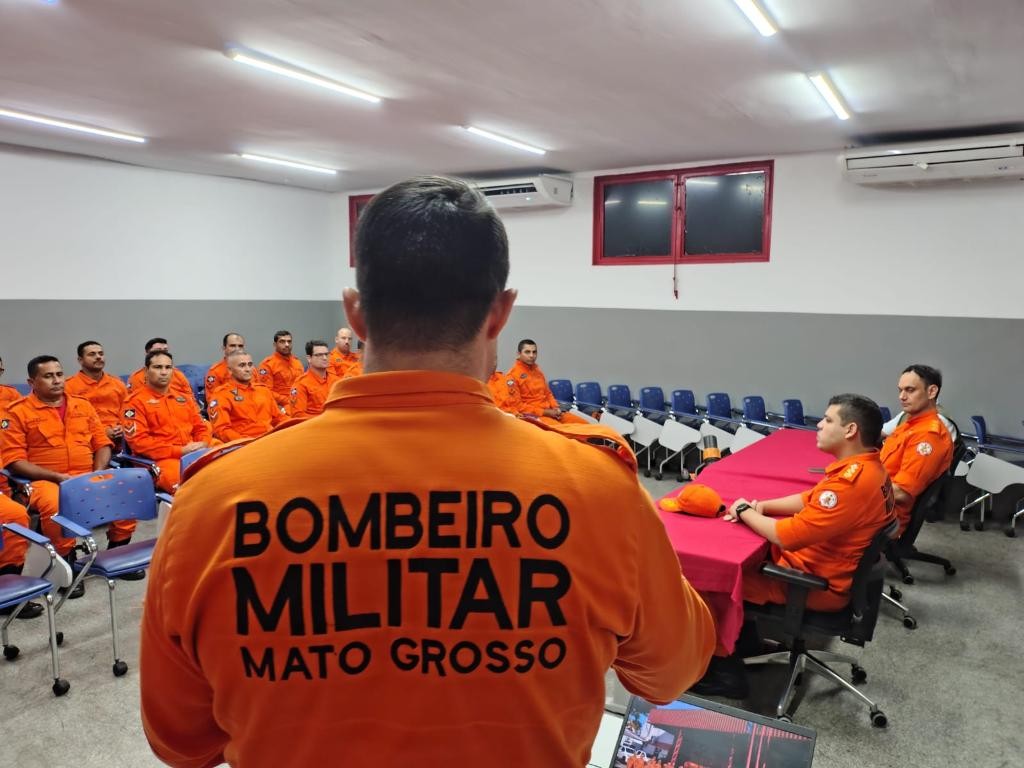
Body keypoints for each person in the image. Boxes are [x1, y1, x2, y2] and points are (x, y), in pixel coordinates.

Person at [141, 176, 715, 768]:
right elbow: (670, 672)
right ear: (501, 312)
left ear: (355, 312)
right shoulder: (598, 489)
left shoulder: (213, 500)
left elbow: (181, 741)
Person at [693, 394, 895, 698]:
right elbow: (809, 499)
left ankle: (725, 674)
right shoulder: (865, 468)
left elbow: (785, 536)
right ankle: (747, 645)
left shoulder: (850, 484)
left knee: (711, 580)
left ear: (850, 430)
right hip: (822, 569)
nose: (820, 425)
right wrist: (762, 507)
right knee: (740, 557)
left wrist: (744, 510)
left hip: (810, 583)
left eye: (828, 420)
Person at [1, 355, 113, 599]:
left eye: (59, 374)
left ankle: (118, 549)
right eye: (48, 376)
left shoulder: (82, 405)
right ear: (32, 382)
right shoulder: (17, 412)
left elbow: (102, 443)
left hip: (86, 473)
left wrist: (98, 471)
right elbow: (14, 461)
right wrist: (57, 476)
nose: (56, 380)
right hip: (44, 480)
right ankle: (65, 564)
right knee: (56, 503)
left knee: (122, 487)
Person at [122, 350, 213, 494]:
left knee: (228, 466)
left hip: (194, 450)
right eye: (158, 367)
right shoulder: (134, 403)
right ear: (146, 371)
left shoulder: (183, 398)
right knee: (192, 489)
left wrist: (203, 443)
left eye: (168, 367)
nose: (164, 372)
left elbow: (200, 427)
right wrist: (180, 451)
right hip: (163, 459)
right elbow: (140, 443)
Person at [879, 364, 954, 535]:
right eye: (900, 390)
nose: (902, 396)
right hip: (875, 506)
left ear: (931, 391)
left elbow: (901, 493)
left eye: (910, 390)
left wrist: (857, 492)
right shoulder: (910, 424)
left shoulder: (928, 436)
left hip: (884, 517)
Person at [207, 351, 287, 441]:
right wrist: (246, 442)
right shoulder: (221, 395)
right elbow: (221, 430)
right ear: (230, 370)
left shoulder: (263, 390)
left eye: (250, 364)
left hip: (270, 439)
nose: (248, 369)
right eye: (242, 365)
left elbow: (279, 418)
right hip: (245, 444)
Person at [506, 339, 589, 424]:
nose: (531, 355)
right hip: (535, 416)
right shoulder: (512, 376)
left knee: (584, 424)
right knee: (562, 430)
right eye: (527, 352)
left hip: (551, 411)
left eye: (534, 352)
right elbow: (518, 406)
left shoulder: (537, 371)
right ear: (519, 354)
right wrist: (545, 412)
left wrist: (555, 407)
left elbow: (548, 393)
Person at [63, 340, 128, 445]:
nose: (98, 357)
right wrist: (100, 432)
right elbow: (68, 420)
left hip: (120, 436)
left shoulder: (117, 383)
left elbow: (129, 411)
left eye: (101, 354)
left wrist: (124, 427)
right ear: (80, 360)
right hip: (86, 439)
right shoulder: (68, 386)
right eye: (92, 354)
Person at [127, 337, 195, 400]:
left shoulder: (178, 375)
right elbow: (131, 401)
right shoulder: (136, 378)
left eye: (165, 351)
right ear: (147, 353)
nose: (162, 354)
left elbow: (190, 398)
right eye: (157, 351)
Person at [289, 340, 338, 419]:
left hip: (336, 422)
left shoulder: (336, 381)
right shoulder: (301, 384)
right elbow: (298, 415)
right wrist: (323, 420)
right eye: (319, 355)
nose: (325, 358)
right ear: (309, 358)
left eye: (326, 354)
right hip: (315, 424)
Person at [257, 330, 304, 411]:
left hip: (299, 403)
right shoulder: (267, 364)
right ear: (275, 345)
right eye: (282, 342)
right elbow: (266, 391)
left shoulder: (297, 362)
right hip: (279, 406)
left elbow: (303, 385)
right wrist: (287, 401)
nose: (287, 344)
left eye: (289, 341)